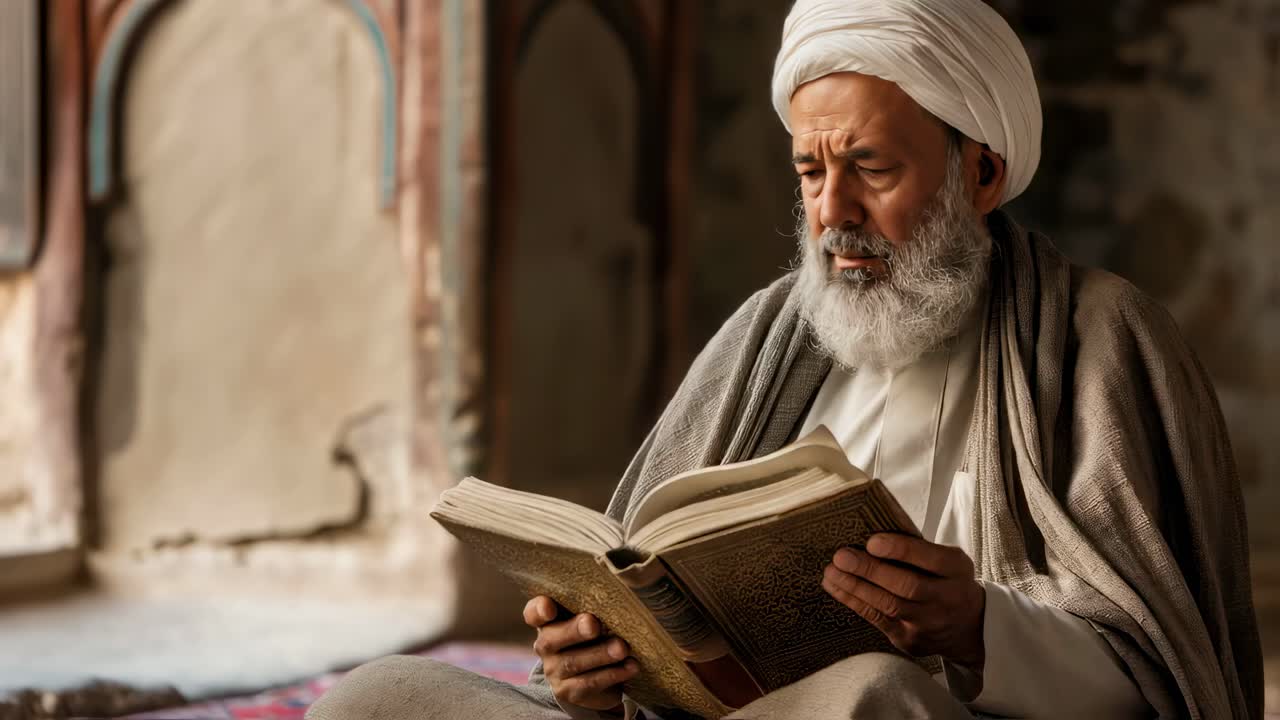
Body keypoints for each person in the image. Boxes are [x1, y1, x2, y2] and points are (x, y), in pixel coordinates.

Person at [307, 0, 1262, 717]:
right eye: (811, 171)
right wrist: (592, 670)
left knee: (867, 696)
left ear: (982, 171)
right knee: (380, 697)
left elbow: (1165, 673)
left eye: (871, 168)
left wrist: (978, 627)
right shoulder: (767, 337)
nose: (832, 211)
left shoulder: (1101, 338)